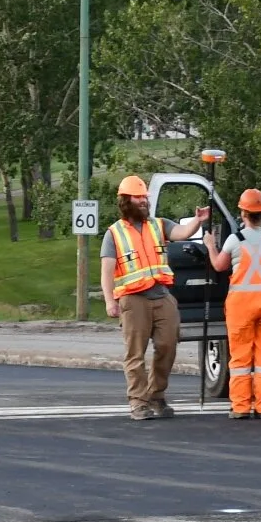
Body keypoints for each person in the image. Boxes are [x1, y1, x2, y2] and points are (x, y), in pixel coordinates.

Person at [204, 188, 261, 418]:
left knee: (241, 357)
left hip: (241, 305)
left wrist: (210, 245)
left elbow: (220, 266)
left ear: (243, 213)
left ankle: (240, 407)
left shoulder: (234, 240)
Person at [99, 174, 180, 420]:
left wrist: (198, 221)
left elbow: (182, 232)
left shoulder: (158, 225)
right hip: (133, 300)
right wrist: (109, 301)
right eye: (138, 197)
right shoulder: (114, 234)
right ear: (126, 200)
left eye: (145, 197)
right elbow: (107, 271)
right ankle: (138, 402)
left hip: (161, 295)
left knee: (168, 345)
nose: (143, 201)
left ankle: (157, 395)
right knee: (135, 353)